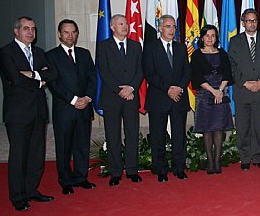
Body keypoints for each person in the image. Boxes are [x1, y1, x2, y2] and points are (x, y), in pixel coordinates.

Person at [0, 16, 57, 211]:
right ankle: (18, 197)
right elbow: (15, 78)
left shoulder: (39, 53)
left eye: (33, 28)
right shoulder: (6, 52)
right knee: (18, 156)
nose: (30, 32)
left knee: (36, 156)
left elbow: (52, 73)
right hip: (18, 114)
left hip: (39, 111)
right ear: (16, 31)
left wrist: (32, 74)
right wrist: (40, 80)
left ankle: (32, 190)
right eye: (25, 28)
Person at [45, 19, 97, 195]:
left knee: (82, 145)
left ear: (77, 34)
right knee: (64, 147)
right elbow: (54, 83)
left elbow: (92, 77)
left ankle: (81, 177)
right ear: (60, 34)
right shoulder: (51, 56)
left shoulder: (84, 53)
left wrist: (88, 98)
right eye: (66, 32)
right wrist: (74, 99)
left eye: (73, 32)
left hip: (84, 107)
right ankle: (65, 181)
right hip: (65, 110)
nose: (70, 35)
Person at [96, 14, 144, 186]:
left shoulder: (136, 46)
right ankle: (115, 171)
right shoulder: (103, 46)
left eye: (126, 23)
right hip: (111, 98)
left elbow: (141, 70)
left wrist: (131, 88)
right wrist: (120, 90)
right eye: (121, 23)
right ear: (112, 27)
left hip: (131, 96)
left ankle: (132, 169)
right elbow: (104, 72)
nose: (125, 26)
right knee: (113, 135)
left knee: (132, 134)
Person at [143, 15, 191, 181]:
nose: (172, 30)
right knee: (158, 136)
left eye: (174, 27)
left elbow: (187, 71)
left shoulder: (181, 48)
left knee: (179, 135)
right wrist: (168, 89)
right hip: (159, 98)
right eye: (168, 26)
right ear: (160, 28)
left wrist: (179, 88)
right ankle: (160, 169)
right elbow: (149, 73)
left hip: (179, 97)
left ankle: (179, 167)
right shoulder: (150, 48)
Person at [228, 9, 260, 171]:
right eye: (248, 21)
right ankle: (245, 158)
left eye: (254, 20)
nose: (252, 23)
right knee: (242, 127)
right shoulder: (235, 41)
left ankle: (258, 156)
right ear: (243, 23)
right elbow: (232, 65)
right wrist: (245, 83)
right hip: (242, 91)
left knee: (258, 125)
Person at [190, 24, 234, 174]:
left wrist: (220, 91)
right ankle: (210, 161)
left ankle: (217, 160)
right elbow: (196, 77)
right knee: (207, 128)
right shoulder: (196, 55)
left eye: (213, 35)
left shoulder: (222, 53)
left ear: (216, 38)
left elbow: (228, 73)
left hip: (221, 93)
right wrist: (213, 91)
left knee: (219, 127)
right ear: (202, 38)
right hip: (205, 94)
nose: (210, 38)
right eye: (207, 36)